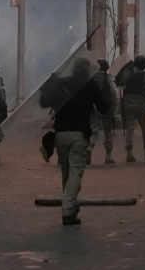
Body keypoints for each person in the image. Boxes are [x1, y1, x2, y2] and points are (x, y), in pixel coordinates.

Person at [41, 59, 111, 226]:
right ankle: (68, 210)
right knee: (75, 173)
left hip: (60, 134)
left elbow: (44, 102)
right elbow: (104, 108)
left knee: (66, 172)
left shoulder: (63, 83)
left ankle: (71, 210)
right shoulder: (90, 85)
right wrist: (106, 91)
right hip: (78, 135)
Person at [121, 55, 145, 162]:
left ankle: (129, 153)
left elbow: (122, 82)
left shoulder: (129, 73)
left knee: (129, 127)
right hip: (140, 104)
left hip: (128, 103)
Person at [86, 60, 117, 165]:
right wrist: (113, 106)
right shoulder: (107, 77)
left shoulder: (91, 77)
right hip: (105, 108)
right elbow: (114, 91)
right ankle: (108, 156)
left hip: (93, 108)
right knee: (108, 131)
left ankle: (89, 148)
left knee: (94, 130)